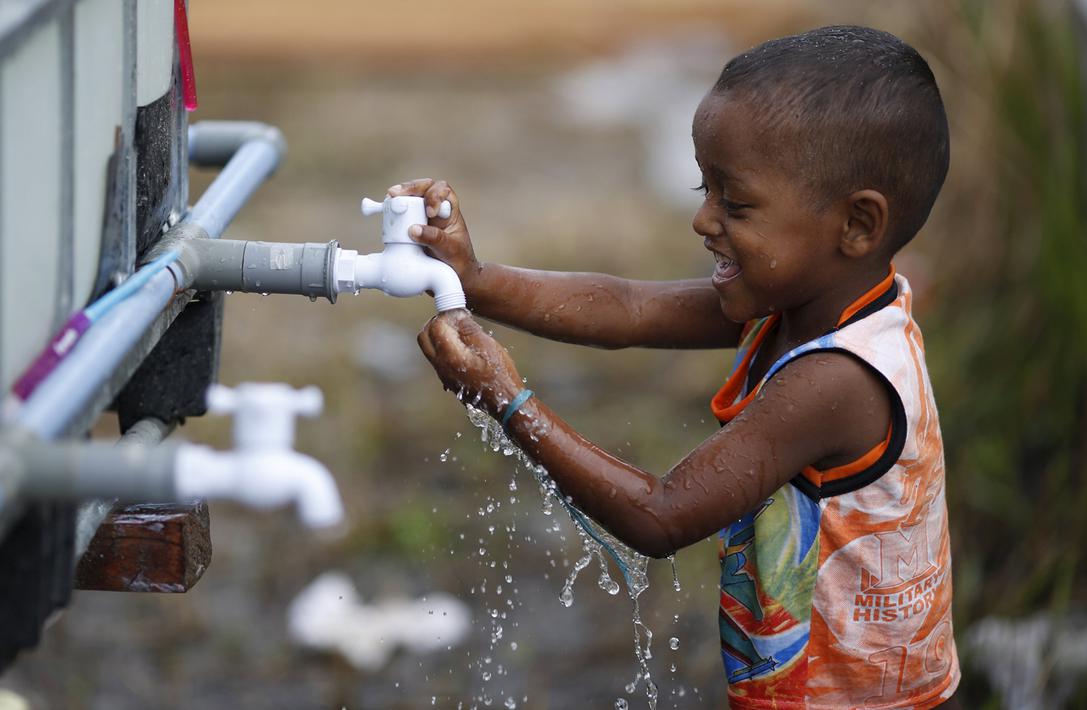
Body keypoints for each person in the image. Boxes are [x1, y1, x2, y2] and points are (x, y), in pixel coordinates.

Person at [401, 24, 960, 709]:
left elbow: (661, 517)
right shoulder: (805, 303)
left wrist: (506, 400)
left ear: (857, 225)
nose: (702, 219)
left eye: (736, 202)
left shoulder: (836, 380)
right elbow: (626, 309)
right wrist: (474, 277)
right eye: (704, 188)